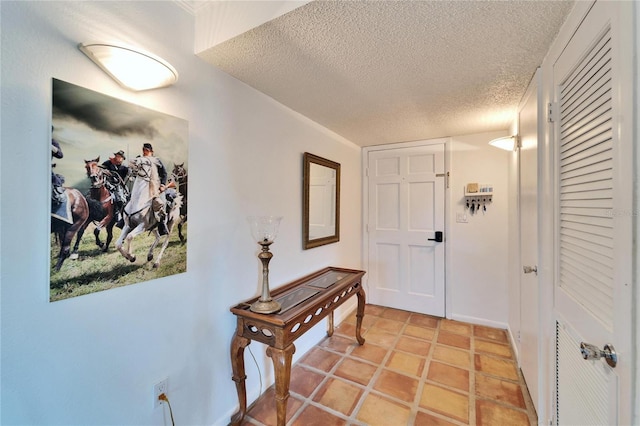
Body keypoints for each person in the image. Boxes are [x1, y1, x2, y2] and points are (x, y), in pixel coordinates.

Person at [142, 143, 175, 235]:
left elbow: (164, 174)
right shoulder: (141, 161)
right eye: (144, 150)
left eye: (147, 151)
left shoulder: (157, 161)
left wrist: (163, 185)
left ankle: (162, 225)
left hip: (156, 187)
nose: (145, 152)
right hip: (144, 187)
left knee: (161, 203)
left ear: (151, 152)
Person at [101, 150, 129, 224]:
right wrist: (105, 171)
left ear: (122, 159)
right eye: (117, 156)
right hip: (106, 183)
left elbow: (123, 178)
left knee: (120, 199)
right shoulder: (108, 163)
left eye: (120, 157)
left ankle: (119, 215)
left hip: (117, 185)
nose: (118, 158)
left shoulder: (124, 168)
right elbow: (100, 168)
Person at [51, 127, 66, 205]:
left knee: (53, 179)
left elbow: (60, 155)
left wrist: (51, 147)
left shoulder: (52, 142)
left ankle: (59, 196)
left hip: (47, 168)